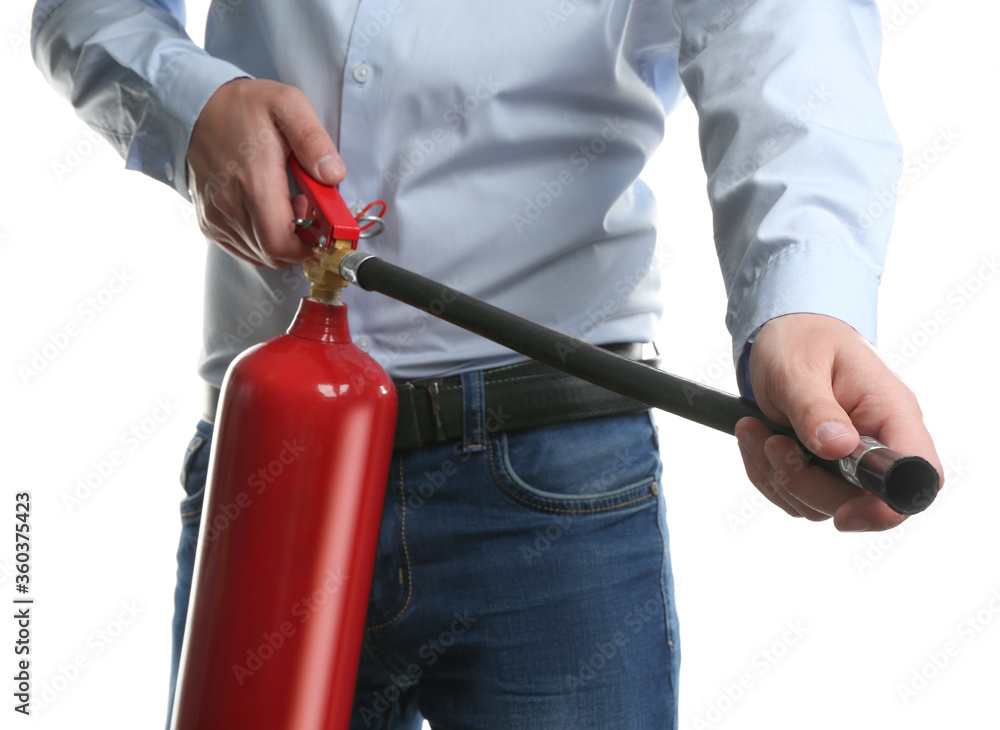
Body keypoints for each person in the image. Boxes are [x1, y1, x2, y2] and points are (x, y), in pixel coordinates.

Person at [32, 0, 942, 727]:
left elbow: (786, 31)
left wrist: (802, 306)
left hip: (554, 476)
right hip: (269, 465)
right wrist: (189, 106)